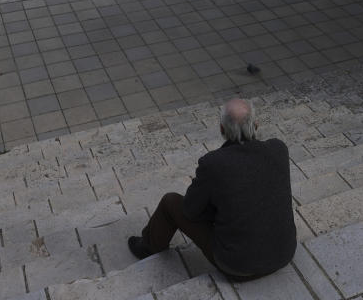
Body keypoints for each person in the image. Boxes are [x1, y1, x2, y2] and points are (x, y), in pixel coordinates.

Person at [127, 98, 297, 281]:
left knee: (171, 202)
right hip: (283, 253)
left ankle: (150, 245)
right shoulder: (279, 149)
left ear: (222, 129)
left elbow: (189, 210)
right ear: (256, 125)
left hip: (238, 266)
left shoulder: (213, 164)